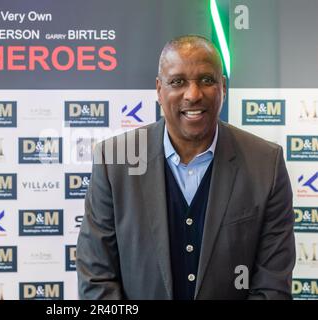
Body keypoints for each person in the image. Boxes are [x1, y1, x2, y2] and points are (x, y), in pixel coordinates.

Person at [76, 35, 295, 300]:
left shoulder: (265, 164)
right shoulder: (115, 160)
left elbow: (271, 287)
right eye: (178, 82)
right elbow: (96, 279)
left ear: (223, 87)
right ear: (159, 89)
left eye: (206, 80)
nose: (193, 94)